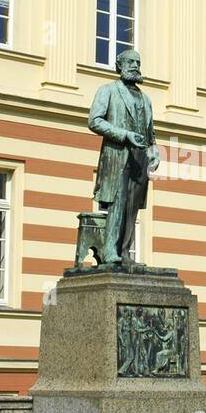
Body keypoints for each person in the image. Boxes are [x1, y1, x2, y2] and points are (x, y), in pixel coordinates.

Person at [87, 48, 160, 265]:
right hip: (117, 156)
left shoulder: (146, 99)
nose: (135, 66)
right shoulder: (108, 90)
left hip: (140, 158)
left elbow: (151, 132)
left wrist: (154, 152)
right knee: (117, 203)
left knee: (133, 207)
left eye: (138, 62)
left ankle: (125, 252)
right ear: (120, 65)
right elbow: (94, 120)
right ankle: (110, 251)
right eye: (130, 62)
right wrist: (124, 135)